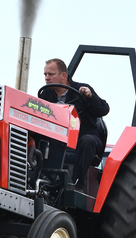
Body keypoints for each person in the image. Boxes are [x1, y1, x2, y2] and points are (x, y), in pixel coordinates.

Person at [39, 58, 110, 188]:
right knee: (36, 136)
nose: (47, 78)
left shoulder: (82, 90)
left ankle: (77, 184)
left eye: (51, 74)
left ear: (63, 75)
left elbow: (104, 109)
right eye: (45, 74)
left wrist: (90, 97)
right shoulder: (46, 93)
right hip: (58, 136)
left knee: (87, 141)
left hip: (84, 136)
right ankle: (40, 178)